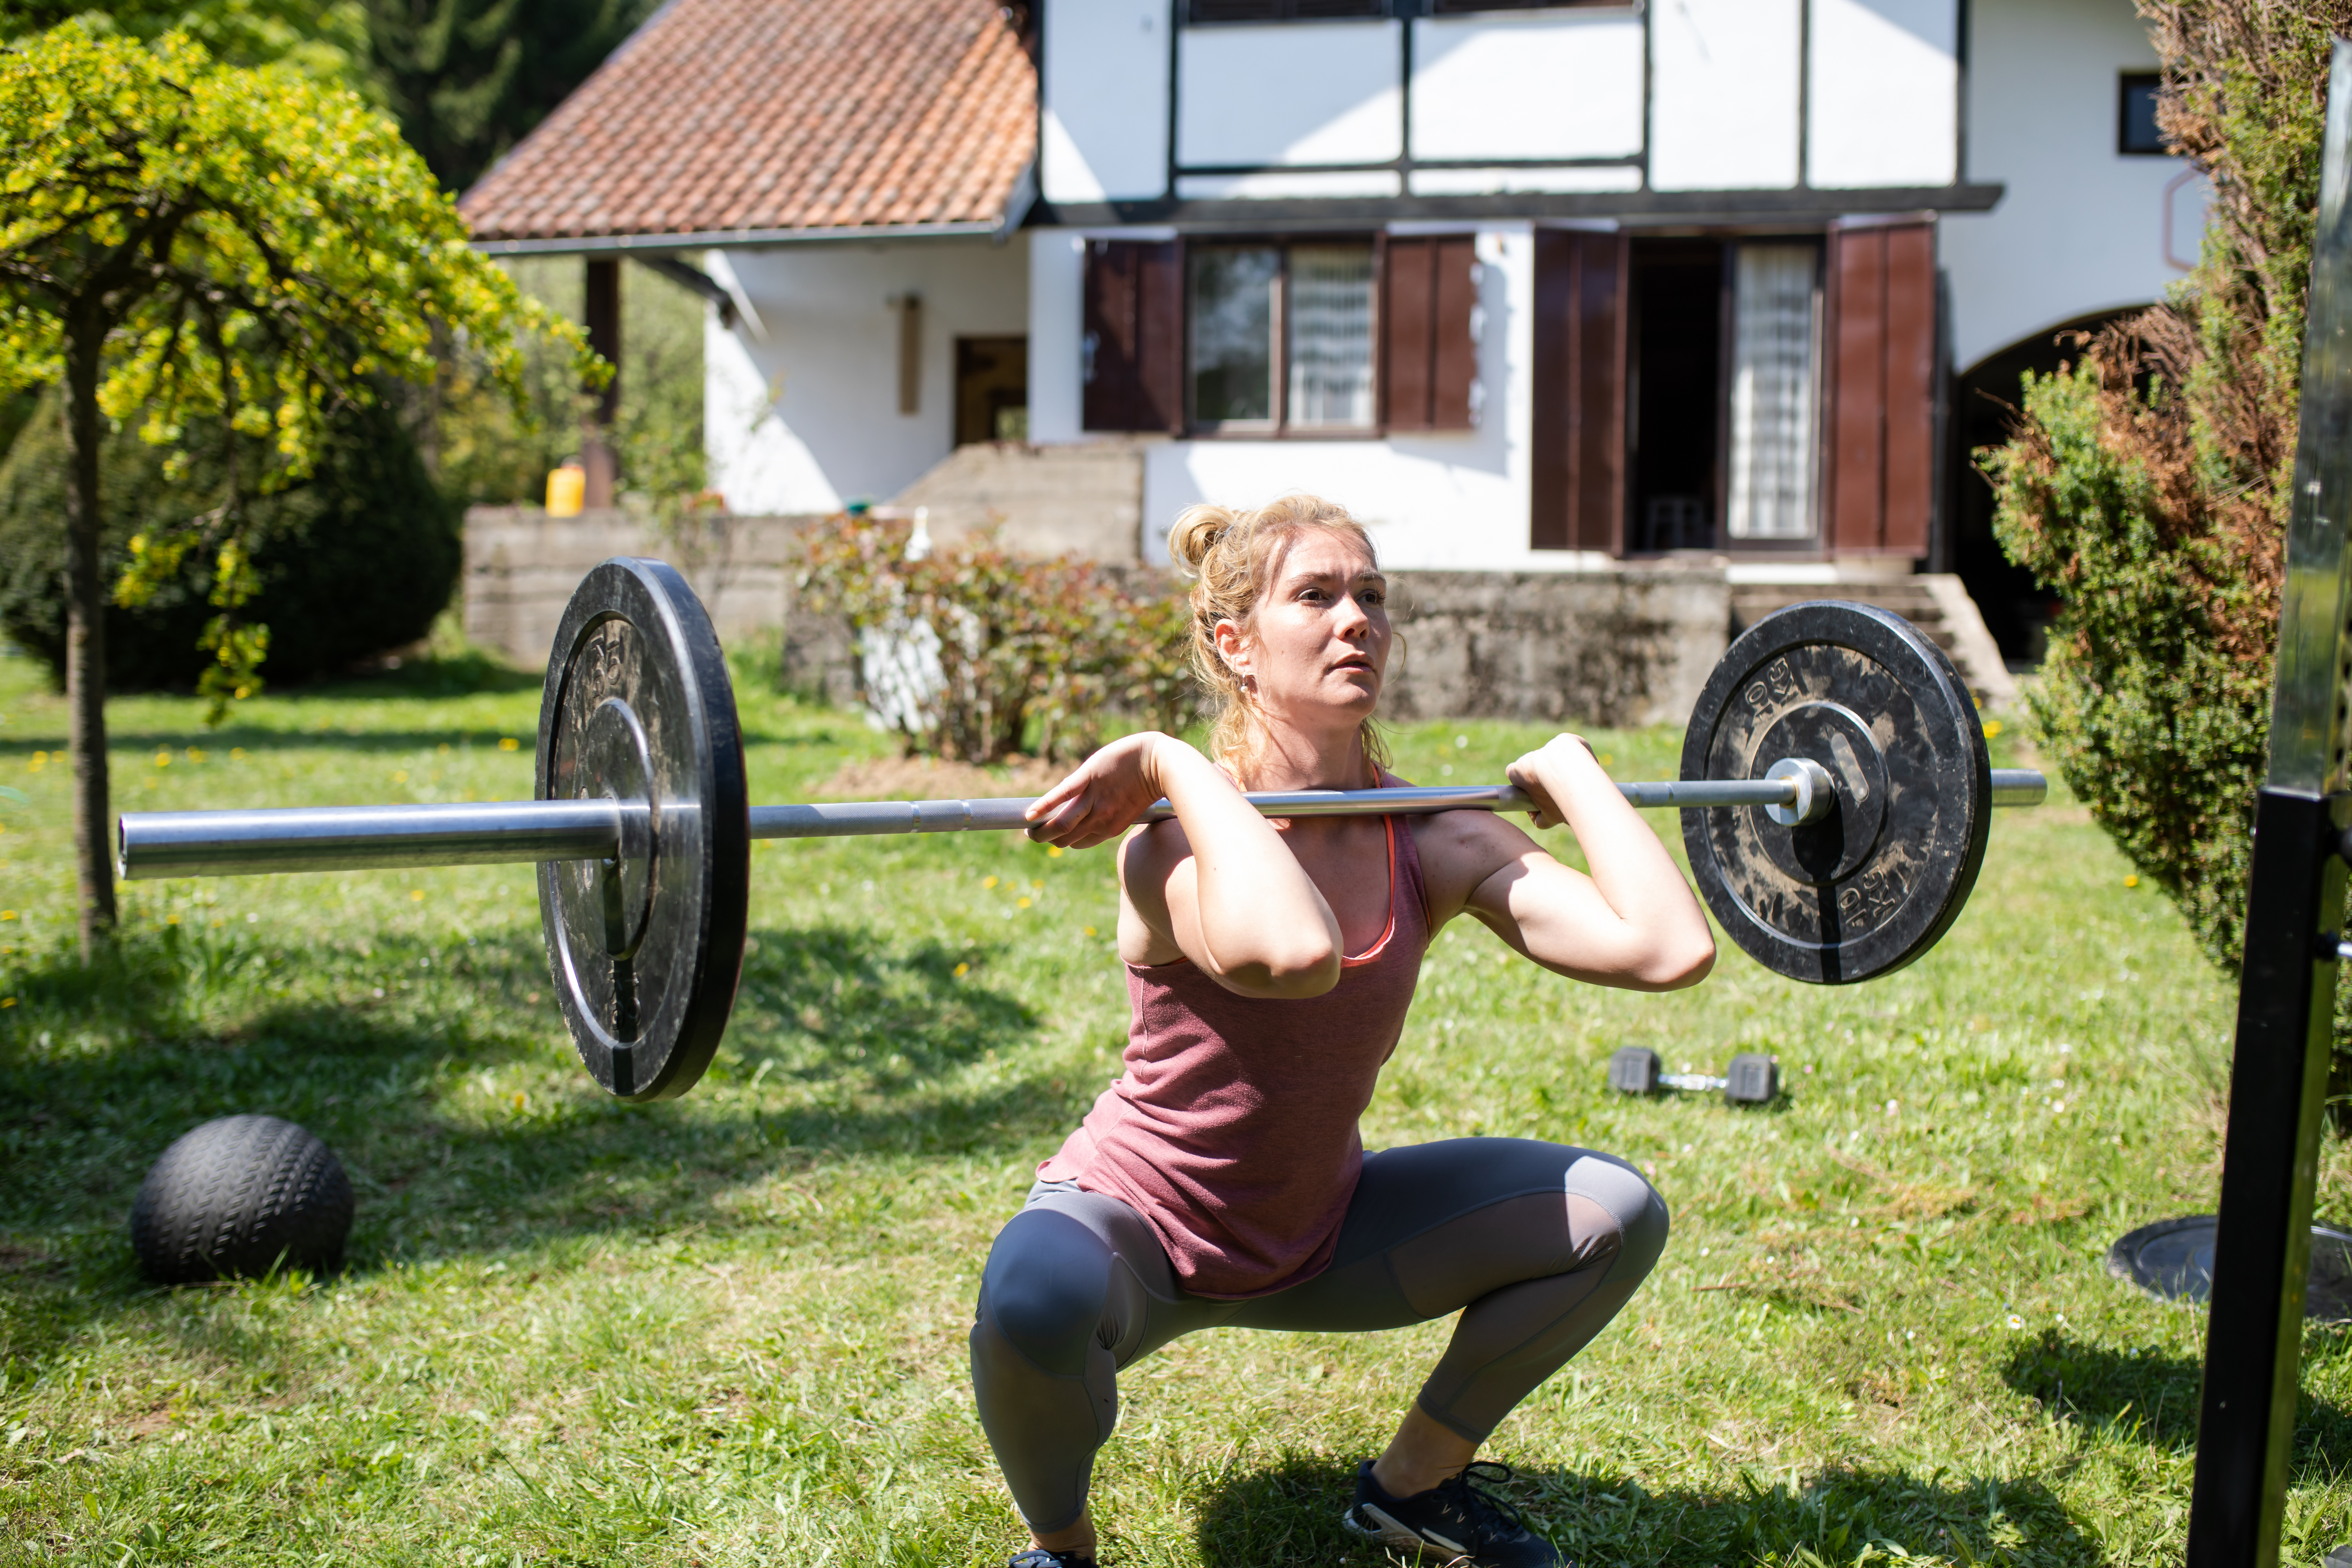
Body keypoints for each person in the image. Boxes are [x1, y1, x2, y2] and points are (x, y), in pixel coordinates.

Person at [976, 495, 1716, 1568]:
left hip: (1318, 1232)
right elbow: (1289, 956)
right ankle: (1061, 1548)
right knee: (1030, 1295)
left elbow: (1664, 950)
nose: (1357, 619)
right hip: (1139, 1229)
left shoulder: (1432, 835)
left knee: (1614, 1216)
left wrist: (1575, 774)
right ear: (1234, 645)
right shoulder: (1169, 844)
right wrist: (1170, 763)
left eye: (1370, 595)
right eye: (1316, 596)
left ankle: (1415, 1489)